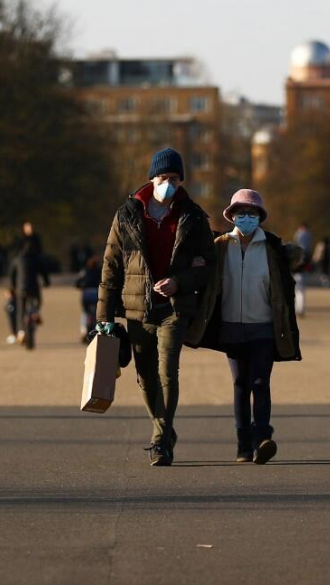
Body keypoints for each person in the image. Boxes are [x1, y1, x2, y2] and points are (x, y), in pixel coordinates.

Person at [96, 147, 216, 467]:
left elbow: (209, 266)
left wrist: (180, 280)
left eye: (174, 178)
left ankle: (160, 439)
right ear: (152, 178)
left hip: (175, 307)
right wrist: (103, 317)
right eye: (163, 177)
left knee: (167, 372)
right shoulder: (127, 214)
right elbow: (111, 267)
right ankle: (163, 427)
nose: (168, 183)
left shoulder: (193, 216)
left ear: (181, 181)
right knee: (145, 376)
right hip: (137, 308)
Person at [187, 189, 303, 463]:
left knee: (260, 382)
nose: (246, 218)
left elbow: (283, 288)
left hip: (263, 325)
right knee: (240, 383)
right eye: (241, 213)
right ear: (231, 216)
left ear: (260, 217)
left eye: (252, 213)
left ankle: (262, 436)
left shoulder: (273, 248)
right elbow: (206, 277)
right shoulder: (221, 245)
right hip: (231, 325)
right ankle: (243, 445)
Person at [8, 237, 50, 345]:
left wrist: (12, 287)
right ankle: (36, 313)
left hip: (21, 289)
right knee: (37, 302)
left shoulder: (17, 259)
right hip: (34, 288)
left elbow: (12, 276)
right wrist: (46, 282)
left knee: (21, 310)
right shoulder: (37, 259)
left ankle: (21, 332)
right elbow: (44, 273)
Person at [75, 254, 102, 344]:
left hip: (86, 295)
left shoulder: (84, 271)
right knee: (98, 314)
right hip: (96, 294)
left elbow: (77, 283)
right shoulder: (100, 272)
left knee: (85, 313)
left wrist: (82, 286)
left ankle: (83, 332)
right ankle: (99, 330)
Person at [292, 222, 313, 316]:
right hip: (302, 272)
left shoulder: (298, 235)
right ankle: (300, 308)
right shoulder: (306, 253)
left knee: (297, 292)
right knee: (301, 291)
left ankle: (298, 308)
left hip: (295, 272)